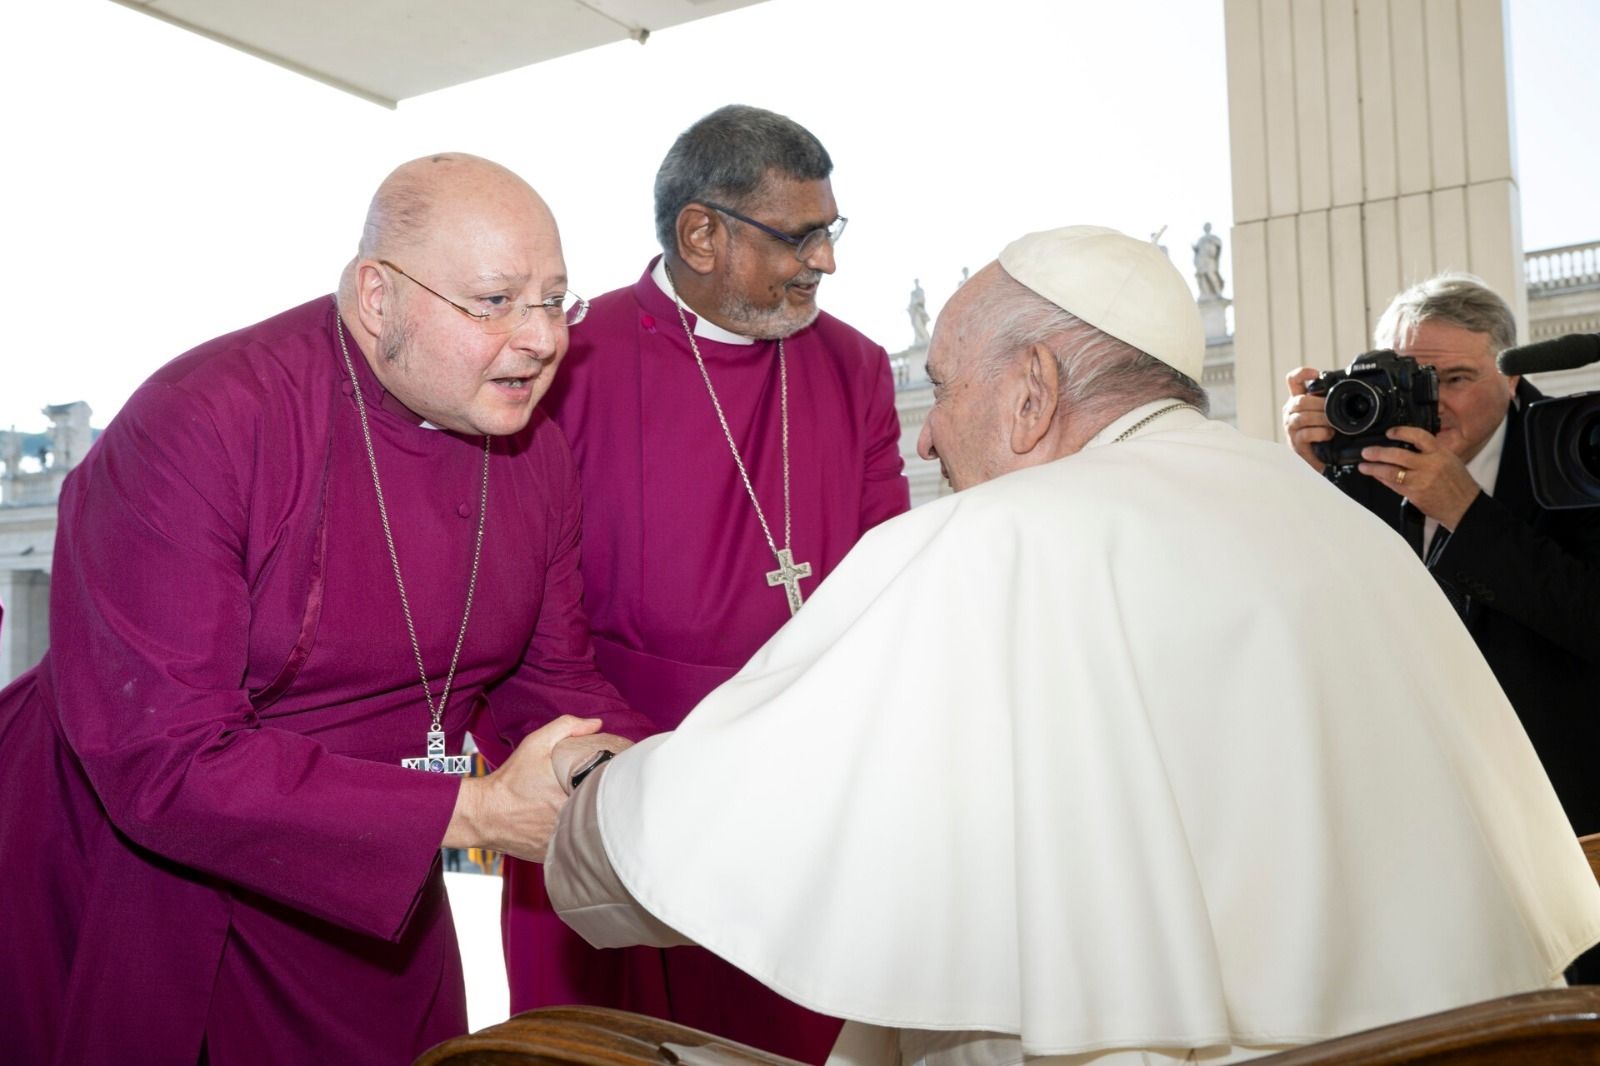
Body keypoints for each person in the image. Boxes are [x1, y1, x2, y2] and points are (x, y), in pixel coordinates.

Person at [537, 226, 1600, 1065]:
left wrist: (575, 803)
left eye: (946, 389)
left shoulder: (1001, 538)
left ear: (1034, 387)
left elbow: (719, 836)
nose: (922, 433)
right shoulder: (1333, 514)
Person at [0, 153, 649, 1065]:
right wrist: (472, 814)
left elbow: (549, 680)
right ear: (377, 297)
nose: (541, 338)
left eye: (555, 300)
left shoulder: (532, 452)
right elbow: (163, 760)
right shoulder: (205, 422)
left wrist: (638, 781)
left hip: (379, 875)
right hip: (148, 869)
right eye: (495, 301)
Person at [503, 103, 909, 1063]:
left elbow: (886, 565)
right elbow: (523, 596)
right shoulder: (569, 359)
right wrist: (630, 770)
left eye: (831, 232)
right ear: (701, 233)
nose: (825, 261)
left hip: (803, 799)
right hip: (611, 781)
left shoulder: (852, 367)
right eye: (801, 236)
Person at [1282, 274, 1600, 840]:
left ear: (1512, 374)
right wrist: (1308, 485)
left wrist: (1466, 512)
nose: (1435, 404)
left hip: (1565, 813)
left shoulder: (1580, 449)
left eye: (1456, 378)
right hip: (1412, 812)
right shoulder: (1356, 467)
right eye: (1414, 380)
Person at [1192, 221, 1224, 297]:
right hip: (1202, 259)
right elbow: (1198, 249)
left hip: (1209, 259)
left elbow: (1218, 245)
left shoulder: (1213, 237)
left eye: (1207, 226)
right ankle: (1205, 293)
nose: (1206, 228)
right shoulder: (1201, 239)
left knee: (1211, 274)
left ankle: (1217, 291)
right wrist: (1195, 249)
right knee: (1202, 275)